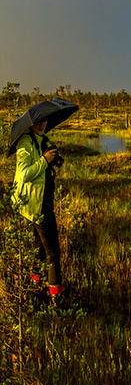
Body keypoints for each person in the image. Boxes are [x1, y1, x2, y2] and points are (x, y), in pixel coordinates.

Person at [12, 118, 63, 299]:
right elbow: (25, 174)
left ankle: (34, 285)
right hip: (35, 203)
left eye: (45, 121)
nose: (42, 125)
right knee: (53, 251)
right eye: (38, 122)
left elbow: (46, 165)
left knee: (39, 247)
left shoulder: (45, 140)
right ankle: (55, 296)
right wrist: (44, 159)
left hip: (44, 199)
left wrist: (55, 160)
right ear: (31, 123)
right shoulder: (25, 142)